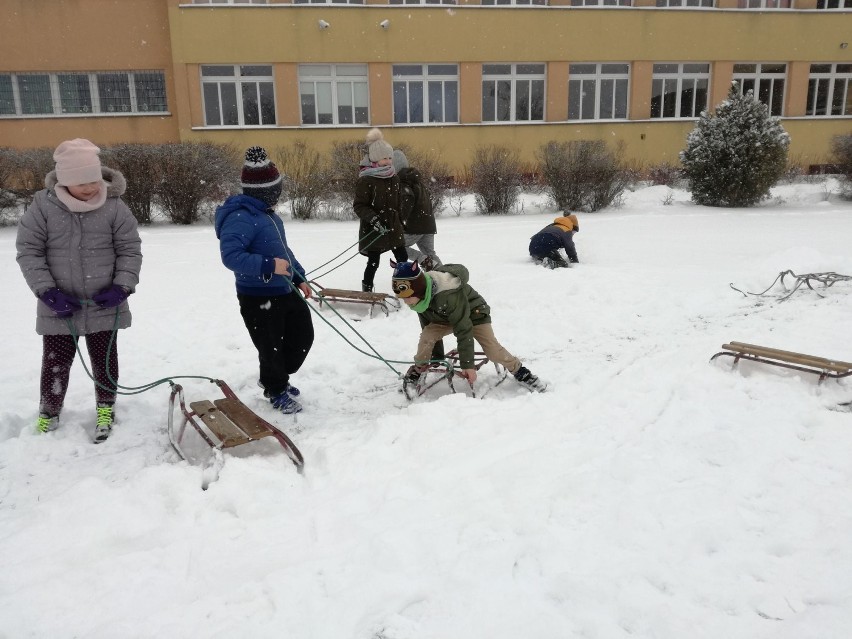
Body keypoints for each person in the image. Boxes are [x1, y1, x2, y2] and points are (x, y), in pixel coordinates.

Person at [16, 138, 143, 443]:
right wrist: (46, 292)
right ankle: (49, 410)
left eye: (93, 180)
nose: (88, 188)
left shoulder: (113, 206)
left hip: (103, 304)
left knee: (104, 360)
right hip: (60, 305)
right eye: (80, 182)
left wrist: (123, 286)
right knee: (55, 363)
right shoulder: (43, 207)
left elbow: (130, 249)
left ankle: (105, 407)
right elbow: (28, 251)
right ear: (63, 180)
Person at [214, 146, 314, 415]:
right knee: (270, 346)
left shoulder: (269, 216)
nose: (278, 197)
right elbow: (231, 256)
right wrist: (268, 266)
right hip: (258, 295)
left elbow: (284, 251)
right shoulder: (240, 217)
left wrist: (300, 276)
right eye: (275, 192)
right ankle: (275, 387)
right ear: (264, 192)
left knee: (303, 336)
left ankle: (274, 376)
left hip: (284, 288)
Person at [391, 261, 547, 393]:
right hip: (445, 316)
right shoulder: (420, 299)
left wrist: (468, 365)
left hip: (474, 313)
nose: (405, 302)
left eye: (408, 297)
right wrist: (436, 357)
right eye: (402, 297)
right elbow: (428, 324)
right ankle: (420, 369)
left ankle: (520, 371)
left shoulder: (448, 294)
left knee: (493, 351)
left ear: (418, 289)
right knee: (426, 337)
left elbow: (463, 328)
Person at [354, 128, 407, 292]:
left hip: (393, 226)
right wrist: (375, 220)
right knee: (373, 262)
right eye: (385, 158)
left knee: (402, 258)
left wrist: (400, 220)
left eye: (390, 157)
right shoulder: (367, 180)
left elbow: (398, 202)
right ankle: (367, 289)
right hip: (374, 228)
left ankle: (403, 286)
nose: (389, 161)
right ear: (375, 159)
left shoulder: (394, 177)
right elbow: (359, 205)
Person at [392, 149, 442, 271]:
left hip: (414, 226)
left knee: (397, 246)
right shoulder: (416, 180)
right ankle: (443, 273)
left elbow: (407, 202)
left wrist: (399, 221)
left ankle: (423, 260)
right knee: (430, 252)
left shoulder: (402, 182)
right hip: (428, 224)